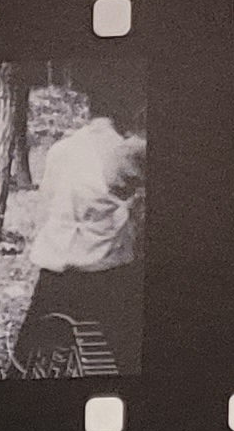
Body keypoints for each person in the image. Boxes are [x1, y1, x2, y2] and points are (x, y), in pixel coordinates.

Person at [13, 65, 143, 376]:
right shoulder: (129, 151)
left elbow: (48, 201)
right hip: (107, 264)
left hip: (58, 260)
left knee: (36, 348)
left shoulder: (61, 148)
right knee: (123, 353)